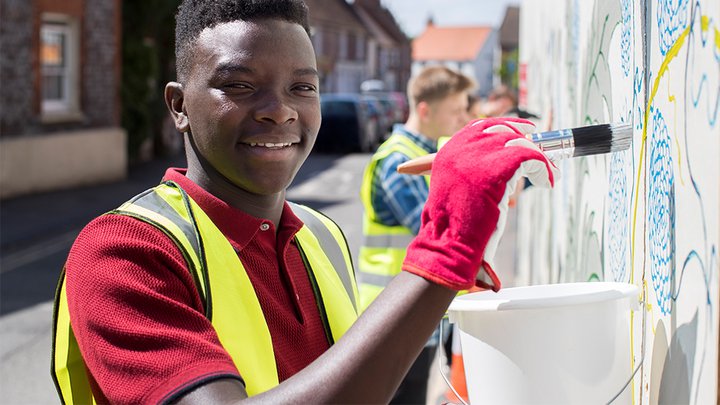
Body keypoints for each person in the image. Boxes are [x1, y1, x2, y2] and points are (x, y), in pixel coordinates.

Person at [51, 1, 558, 404]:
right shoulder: (120, 252)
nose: (279, 111)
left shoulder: (321, 234)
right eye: (240, 85)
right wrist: (445, 251)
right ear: (179, 106)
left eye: (303, 86)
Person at [357, 66, 474, 404]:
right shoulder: (400, 161)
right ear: (425, 110)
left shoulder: (429, 156)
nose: (463, 118)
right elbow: (442, 235)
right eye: (456, 110)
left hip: (413, 314)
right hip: (393, 316)